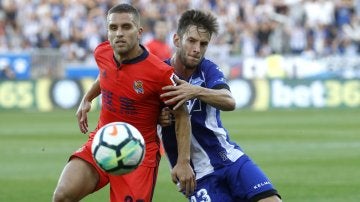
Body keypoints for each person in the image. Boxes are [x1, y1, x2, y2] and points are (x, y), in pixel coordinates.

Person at [52, 4, 195, 202]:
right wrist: (88, 98)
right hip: (102, 142)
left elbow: (181, 114)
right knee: (62, 196)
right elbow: (105, 75)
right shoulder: (102, 52)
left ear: (139, 32)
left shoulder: (160, 73)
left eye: (126, 27)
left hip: (138, 154)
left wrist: (184, 162)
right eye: (113, 28)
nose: (119, 33)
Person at [158, 10, 282, 202]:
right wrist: (156, 118)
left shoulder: (208, 69)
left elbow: (229, 101)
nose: (197, 48)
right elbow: (139, 113)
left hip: (229, 158)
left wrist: (195, 90)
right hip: (195, 173)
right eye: (191, 41)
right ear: (176, 39)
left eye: (203, 44)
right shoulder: (158, 74)